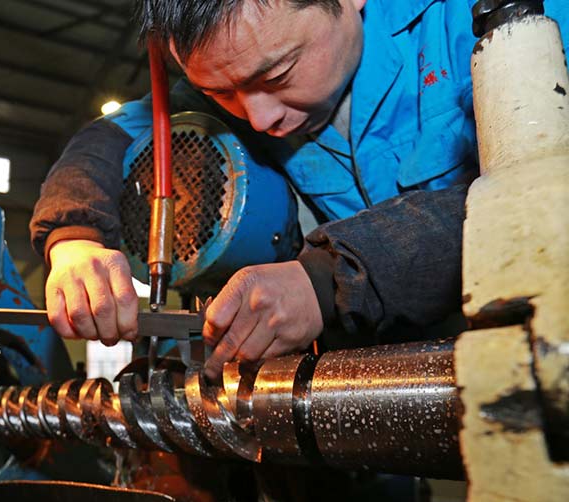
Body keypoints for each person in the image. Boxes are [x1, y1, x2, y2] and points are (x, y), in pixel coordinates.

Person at [30, 0, 569, 378]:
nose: (258, 117)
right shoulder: (246, 81)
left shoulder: (505, 18)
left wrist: (328, 280)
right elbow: (107, 141)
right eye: (220, 92)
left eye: (279, 72)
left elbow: (544, 194)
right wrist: (75, 241)